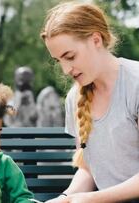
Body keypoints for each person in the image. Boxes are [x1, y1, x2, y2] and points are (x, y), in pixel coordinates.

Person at [41, 1, 139, 202]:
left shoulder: (135, 84)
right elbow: (87, 170)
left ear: (96, 39)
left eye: (70, 56)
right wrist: (65, 198)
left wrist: (94, 199)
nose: (66, 70)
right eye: (59, 60)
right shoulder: (74, 98)